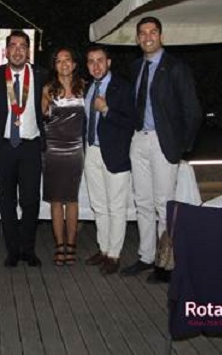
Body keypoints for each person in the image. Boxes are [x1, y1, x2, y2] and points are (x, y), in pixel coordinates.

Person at [120, 16, 202, 282]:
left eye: (152, 32)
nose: (148, 37)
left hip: (163, 142)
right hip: (139, 140)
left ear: (161, 36)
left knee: (164, 204)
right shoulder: (136, 67)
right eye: (142, 33)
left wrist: (182, 146)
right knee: (142, 202)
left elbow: (193, 111)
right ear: (137, 39)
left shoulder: (176, 67)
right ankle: (146, 256)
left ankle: (166, 263)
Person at [0, 30, 46, 267]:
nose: (18, 50)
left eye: (22, 46)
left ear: (28, 51)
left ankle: (28, 249)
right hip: (3, 147)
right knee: (7, 200)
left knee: (31, 201)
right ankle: (12, 250)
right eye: (13, 45)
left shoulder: (41, 75)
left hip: (31, 147)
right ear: (6, 51)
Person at [82, 44, 134, 275]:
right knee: (99, 205)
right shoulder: (88, 88)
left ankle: (114, 254)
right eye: (91, 61)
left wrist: (106, 110)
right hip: (92, 151)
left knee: (116, 206)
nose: (96, 66)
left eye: (100, 60)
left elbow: (131, 121)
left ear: (109, 62)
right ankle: (103, 249)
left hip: (115, 153)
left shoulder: (123, 87)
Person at [41, 47, 85, 266]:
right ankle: (60, 245)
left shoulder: (84, 87)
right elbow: (43, 116)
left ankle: (72, 244)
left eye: (67, 59)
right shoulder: (48, 89)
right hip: (53, 151)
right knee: (56, 200)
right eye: (59, 61)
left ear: (74, 64)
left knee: (73, 199)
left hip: (76, 150)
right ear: (55, 66)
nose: (64, 63)